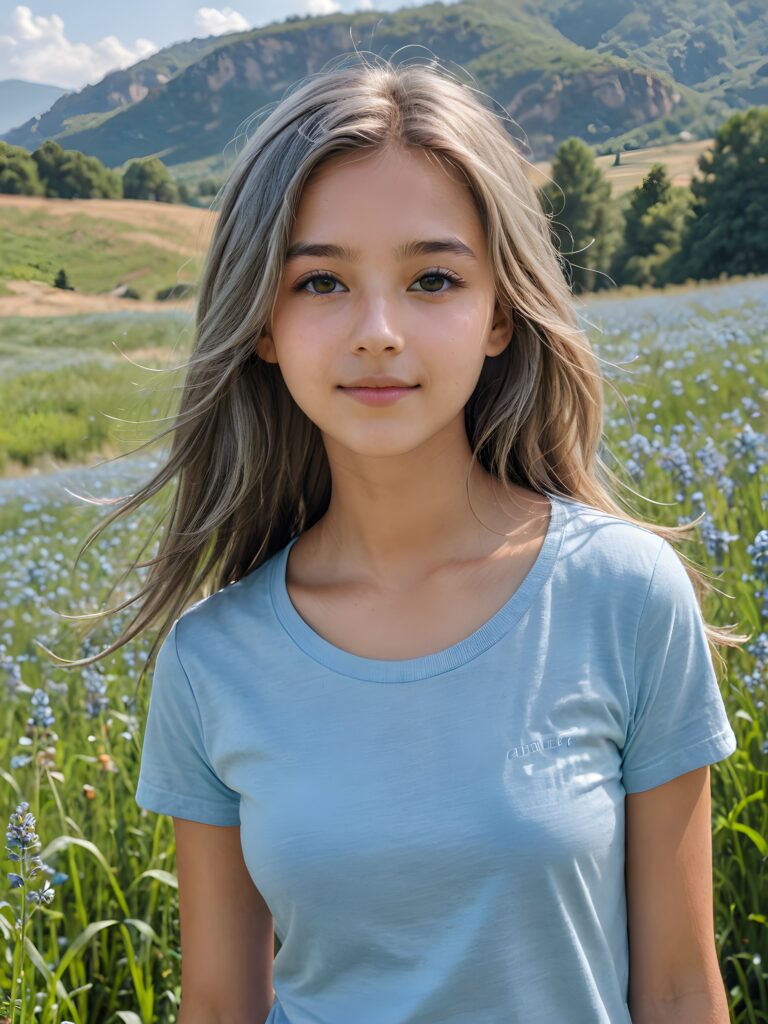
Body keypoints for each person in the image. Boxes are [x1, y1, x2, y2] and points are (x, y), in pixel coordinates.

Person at [66, 55, 744, 1024]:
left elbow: (680, 987)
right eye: (321, 282)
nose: (377, 330)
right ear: (263, 323)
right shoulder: (212, 660)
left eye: (432, 277)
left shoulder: (627, 594)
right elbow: (219, 1007)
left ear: (500, 311)